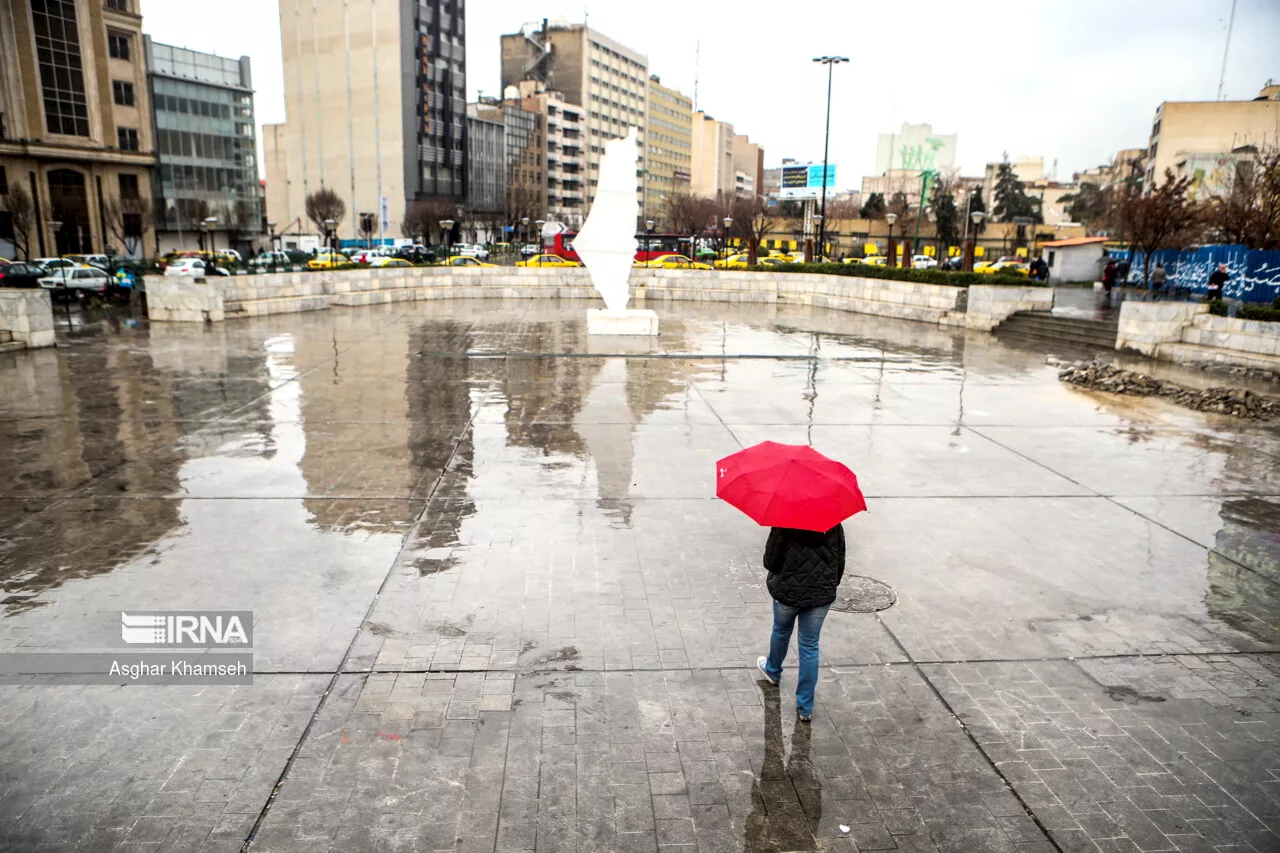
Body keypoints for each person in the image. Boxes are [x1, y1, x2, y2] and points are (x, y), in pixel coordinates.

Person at [756, 524, 845, 722]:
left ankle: (772, 670)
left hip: (787, 592)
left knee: (781, 630)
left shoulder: (783, 522)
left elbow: (770, 561)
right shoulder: (833, 523)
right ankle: (805, 707)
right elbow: (839, 562)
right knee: (809, 645)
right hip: (820, 595)